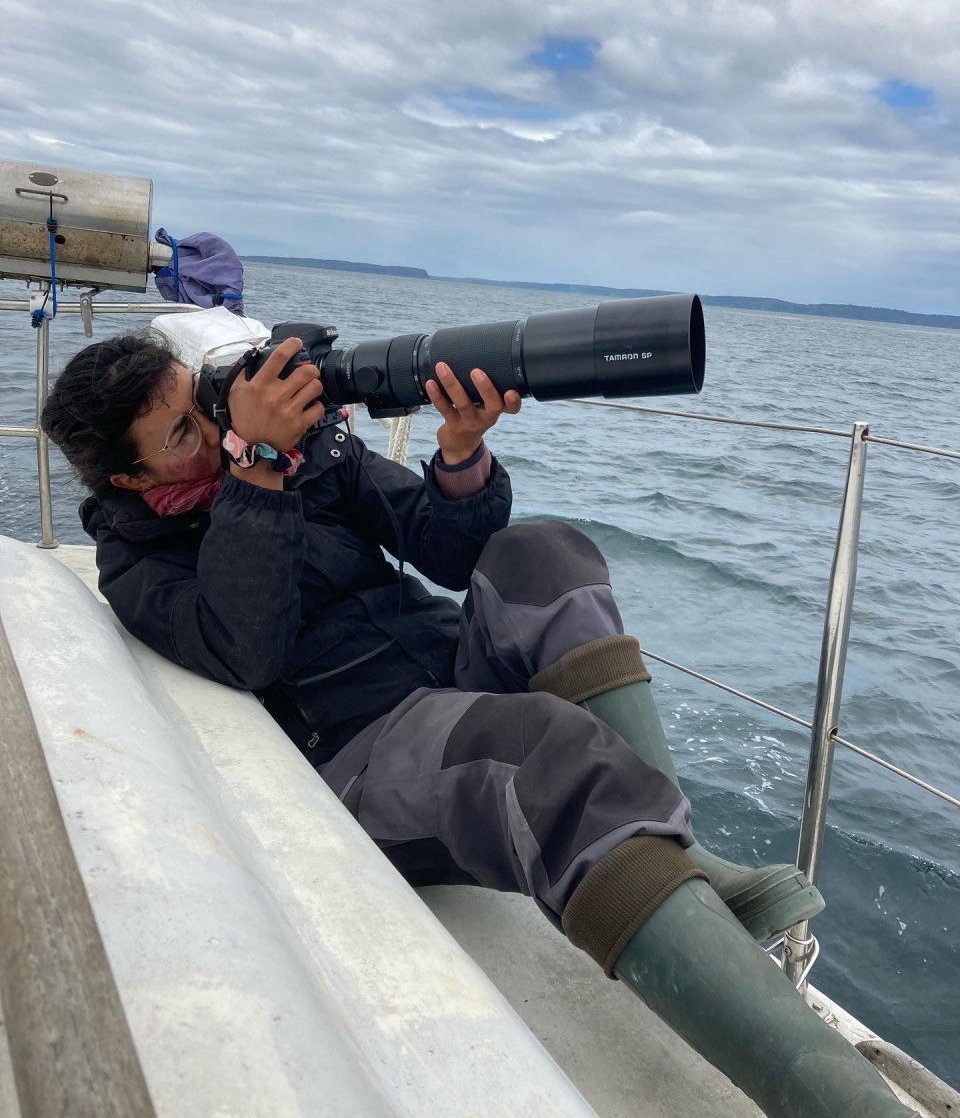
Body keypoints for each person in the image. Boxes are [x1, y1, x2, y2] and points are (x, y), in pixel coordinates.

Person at [42, 328, 917, 1118]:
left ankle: (673, 856)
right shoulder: (136, 561)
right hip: (360, 752)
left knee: (544, 552)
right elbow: (249, 650)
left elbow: (451, 550)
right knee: (541, 753)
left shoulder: (308, 457)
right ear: (130, 478)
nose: (210, 424)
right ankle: (839, 1104)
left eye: (202, 400)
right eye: (182, 435)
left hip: (443, 668)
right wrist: (254, 463)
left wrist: (458, 453)